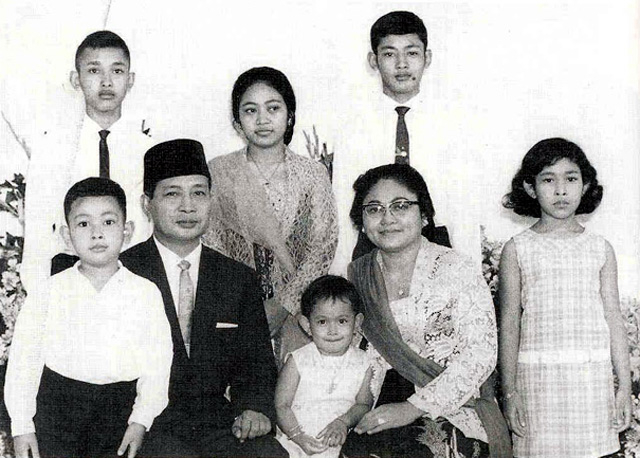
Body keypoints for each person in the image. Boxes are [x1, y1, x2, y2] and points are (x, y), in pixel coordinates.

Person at [120, 139, 287, 457]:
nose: (188, 207)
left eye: (198, 193)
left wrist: (254, 408)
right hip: (142, 425)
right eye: (172, 194)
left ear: (211, 199)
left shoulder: (236, 278)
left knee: (269, 454)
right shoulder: (123, 272)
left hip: (216, 423)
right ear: (146, 204)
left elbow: (256, 363)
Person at [342, 164, 511, 458]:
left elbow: (481, 355)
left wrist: (412, 408)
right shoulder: (359, 276)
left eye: (400, 206)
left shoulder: (456, 269)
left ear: (424, 215)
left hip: (454, 407)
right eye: (374, 209)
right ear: (363, 222)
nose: (387, 218)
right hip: (376, 406)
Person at [5, 177, 172, 458]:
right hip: (58, 413)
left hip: (119, 413)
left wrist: (141, 419)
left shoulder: (145, 293)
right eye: (83, 224)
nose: (97, 233)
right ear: (67, 236)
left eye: (108, 222)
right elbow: (25, 361)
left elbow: (158, 364)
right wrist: (22, 425)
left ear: (127, 231)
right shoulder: (49, 292)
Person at [499, 138, 631, 457]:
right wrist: (510, 392)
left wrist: (625, 387)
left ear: (585, 186)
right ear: (530, 188)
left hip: (591, 383)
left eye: (570, 179)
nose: (561, 190)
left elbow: (613, 319)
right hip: (537, 383)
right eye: (548, 180)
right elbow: (509, 324)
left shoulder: (600, 248)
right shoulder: (517, 248)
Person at [203, 66, 338, 363]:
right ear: (237, 122)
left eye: (273, 108)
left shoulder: (312, 174)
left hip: (300, 311)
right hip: (235, 309)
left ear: (289, 116)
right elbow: (211, 242)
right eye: (250, 110)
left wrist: (283, 305)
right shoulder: (219, 172)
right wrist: (247, 307)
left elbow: (323, 247)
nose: (262, 119)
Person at [330, 10, 481, 275]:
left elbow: (464, 207)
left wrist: (472, 274)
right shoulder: (354, 128)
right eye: (389, 54)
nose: (402, 64)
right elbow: (343, 206)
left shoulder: (451, 125)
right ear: (373, 60)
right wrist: (340, 276)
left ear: (427, 58)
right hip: (374, 243)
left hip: (436, 241)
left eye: (411, 53)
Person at [21, 30, 154, 292]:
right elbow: (37, 239)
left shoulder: (148, 151)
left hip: (134, 280)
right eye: (94, 71)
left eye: (117, 71)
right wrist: (41, 298)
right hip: (68, 282)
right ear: (76, 79)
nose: (106, 82)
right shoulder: (52, 149)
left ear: (130, 80)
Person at [275, 275, 374, 457]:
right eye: (322, 321)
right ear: (307, 325)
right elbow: (282, 405)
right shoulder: (298, 360)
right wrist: (298, 436)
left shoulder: (364, 363)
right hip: (294, 440)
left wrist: (344, 422)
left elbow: (364, 403)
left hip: (337, 443)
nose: (332, 330)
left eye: (342, 321)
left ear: (357, 323)